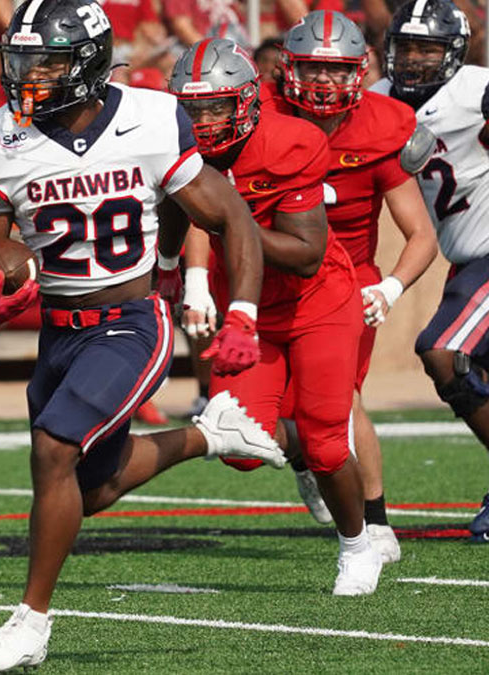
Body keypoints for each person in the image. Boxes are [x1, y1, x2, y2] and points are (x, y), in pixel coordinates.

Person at [0, 3, 285, 670]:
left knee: (53, 451)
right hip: (59, 331)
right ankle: (210, 433)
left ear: (87, 62)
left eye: (46, 60)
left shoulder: (153, 118)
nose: (28, 75)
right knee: (92, 487)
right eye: (21, 60)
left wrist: (242, 310)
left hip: (131, 321)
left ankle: (30, 625)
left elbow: (230, 215)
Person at [170, 38, 385, 595]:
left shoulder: (290, 142)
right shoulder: (172, 146)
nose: (204, 121)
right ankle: (305, 456)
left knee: (330, 443)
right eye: (192, 109)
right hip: (249, 309)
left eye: (216, 107)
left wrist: (231, 221)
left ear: (246, 101)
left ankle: (358, 544)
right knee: (237, 445)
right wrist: (193, 280)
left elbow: (307, 251)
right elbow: (184, 221)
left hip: (319, 302)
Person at [268, 10, 438, 562]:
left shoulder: (384, 125)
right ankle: (307, 460)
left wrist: (389, 288)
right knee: (256, 419)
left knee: (342, 401)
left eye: (337, 71)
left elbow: (420, 235)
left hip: (345, 279)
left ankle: (375, 521)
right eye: (313, 70)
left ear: (360, 72)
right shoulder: (261, 113)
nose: (324, 83)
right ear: (289, 69)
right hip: (270, 274)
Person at [372, 0, 489, 543]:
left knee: (441, 350)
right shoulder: (378, 101)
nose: (414, 59)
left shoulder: (476, 91)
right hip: (465, 258)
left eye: (428, 48)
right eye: (407, 47)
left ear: (455, 54)